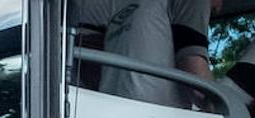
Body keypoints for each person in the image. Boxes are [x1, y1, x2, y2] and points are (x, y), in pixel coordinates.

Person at [72, 0, 217, 107]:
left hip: (109, 112)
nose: (218, 7)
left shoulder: (124, 6)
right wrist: (221, 105)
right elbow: (194, 69)